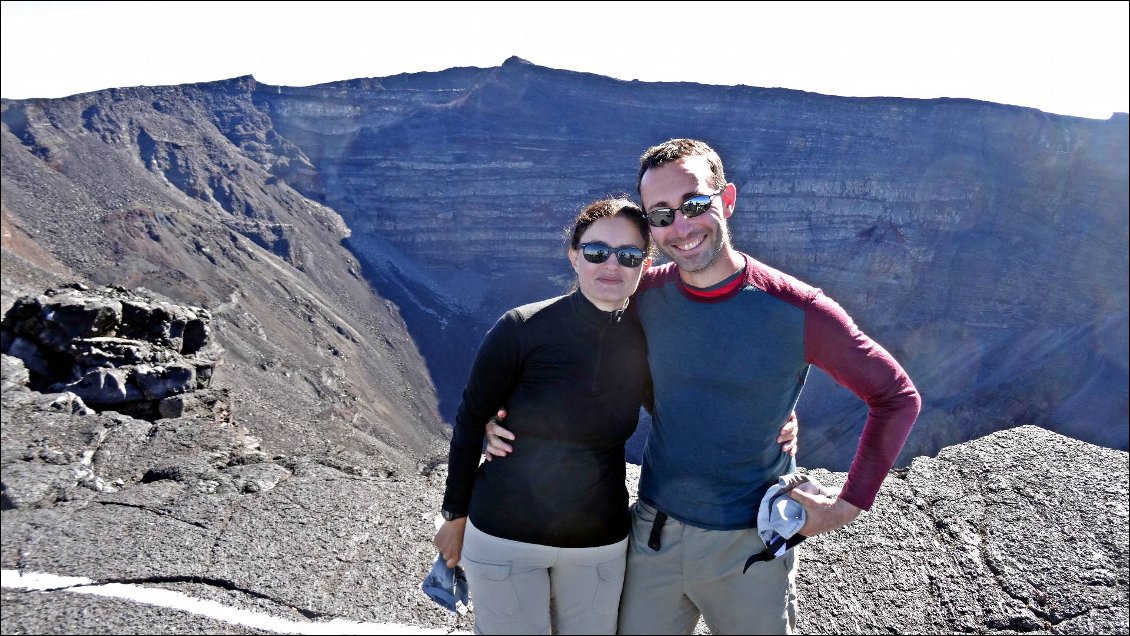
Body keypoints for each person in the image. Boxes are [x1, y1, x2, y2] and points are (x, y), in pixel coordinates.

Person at [485, 139, 922, 634]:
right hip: (653, 537)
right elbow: (565, 338)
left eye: (694, 204)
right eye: (661, 214)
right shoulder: (644, 292)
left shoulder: (797, 310)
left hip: (750, 547)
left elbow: (895, 396)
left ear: (727, 199)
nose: (681, 226)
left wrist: (848, 504)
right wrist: (492, 409)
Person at [433, 197, 799, 635]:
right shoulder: (521, 328)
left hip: (598, 545)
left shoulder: (648, 340)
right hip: (503, 537)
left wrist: (771, 417)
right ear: (574, 254)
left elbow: (683, 407)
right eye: (595, 252)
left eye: (628, 255)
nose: (611, 265)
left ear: (644, 265)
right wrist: (454, 517)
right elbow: (471, 421)